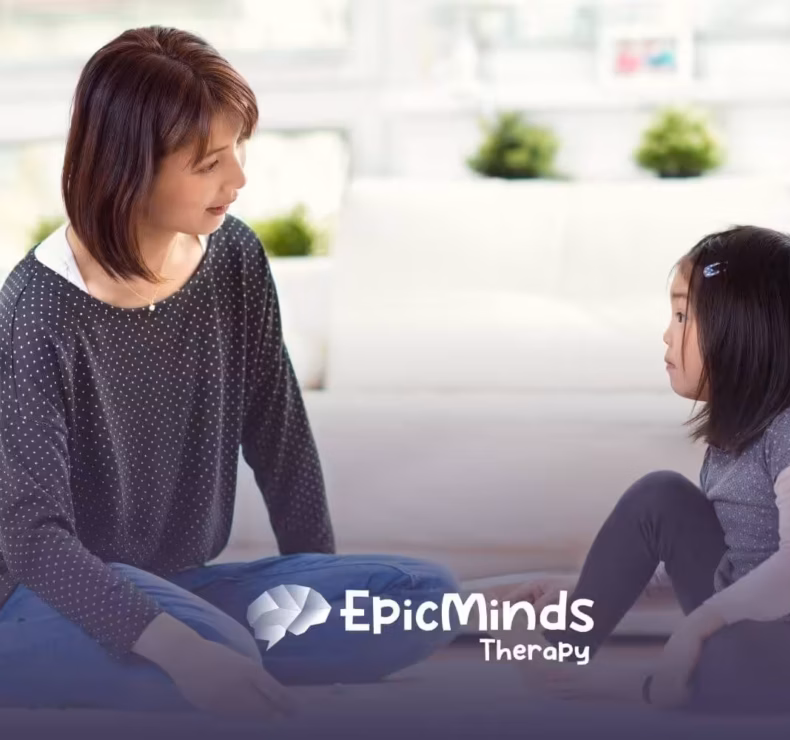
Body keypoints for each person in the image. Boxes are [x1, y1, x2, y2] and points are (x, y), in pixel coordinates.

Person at [0, 25, 458, 719]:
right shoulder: (38, 315)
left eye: (238, 150)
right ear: (128, 166)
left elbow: (279, 436)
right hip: (50, 598)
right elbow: (31, 542)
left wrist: (320, 582)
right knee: (213, 653)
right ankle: (191, 657)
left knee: (422, 600)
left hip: (185, 584)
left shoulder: (232, 256)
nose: (238, 182)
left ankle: (207, 655)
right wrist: (184, 649)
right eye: (209, 162)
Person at [508, 225, 790, 716]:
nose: (667, 333)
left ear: (745, 331)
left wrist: (699, 625)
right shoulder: (734, 439)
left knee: (723, 661)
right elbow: (729, 562)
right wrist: (583, 589)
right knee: (659, 496)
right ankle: (562, 651)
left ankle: (631, 686)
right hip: (737, 623)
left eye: (683, 314)